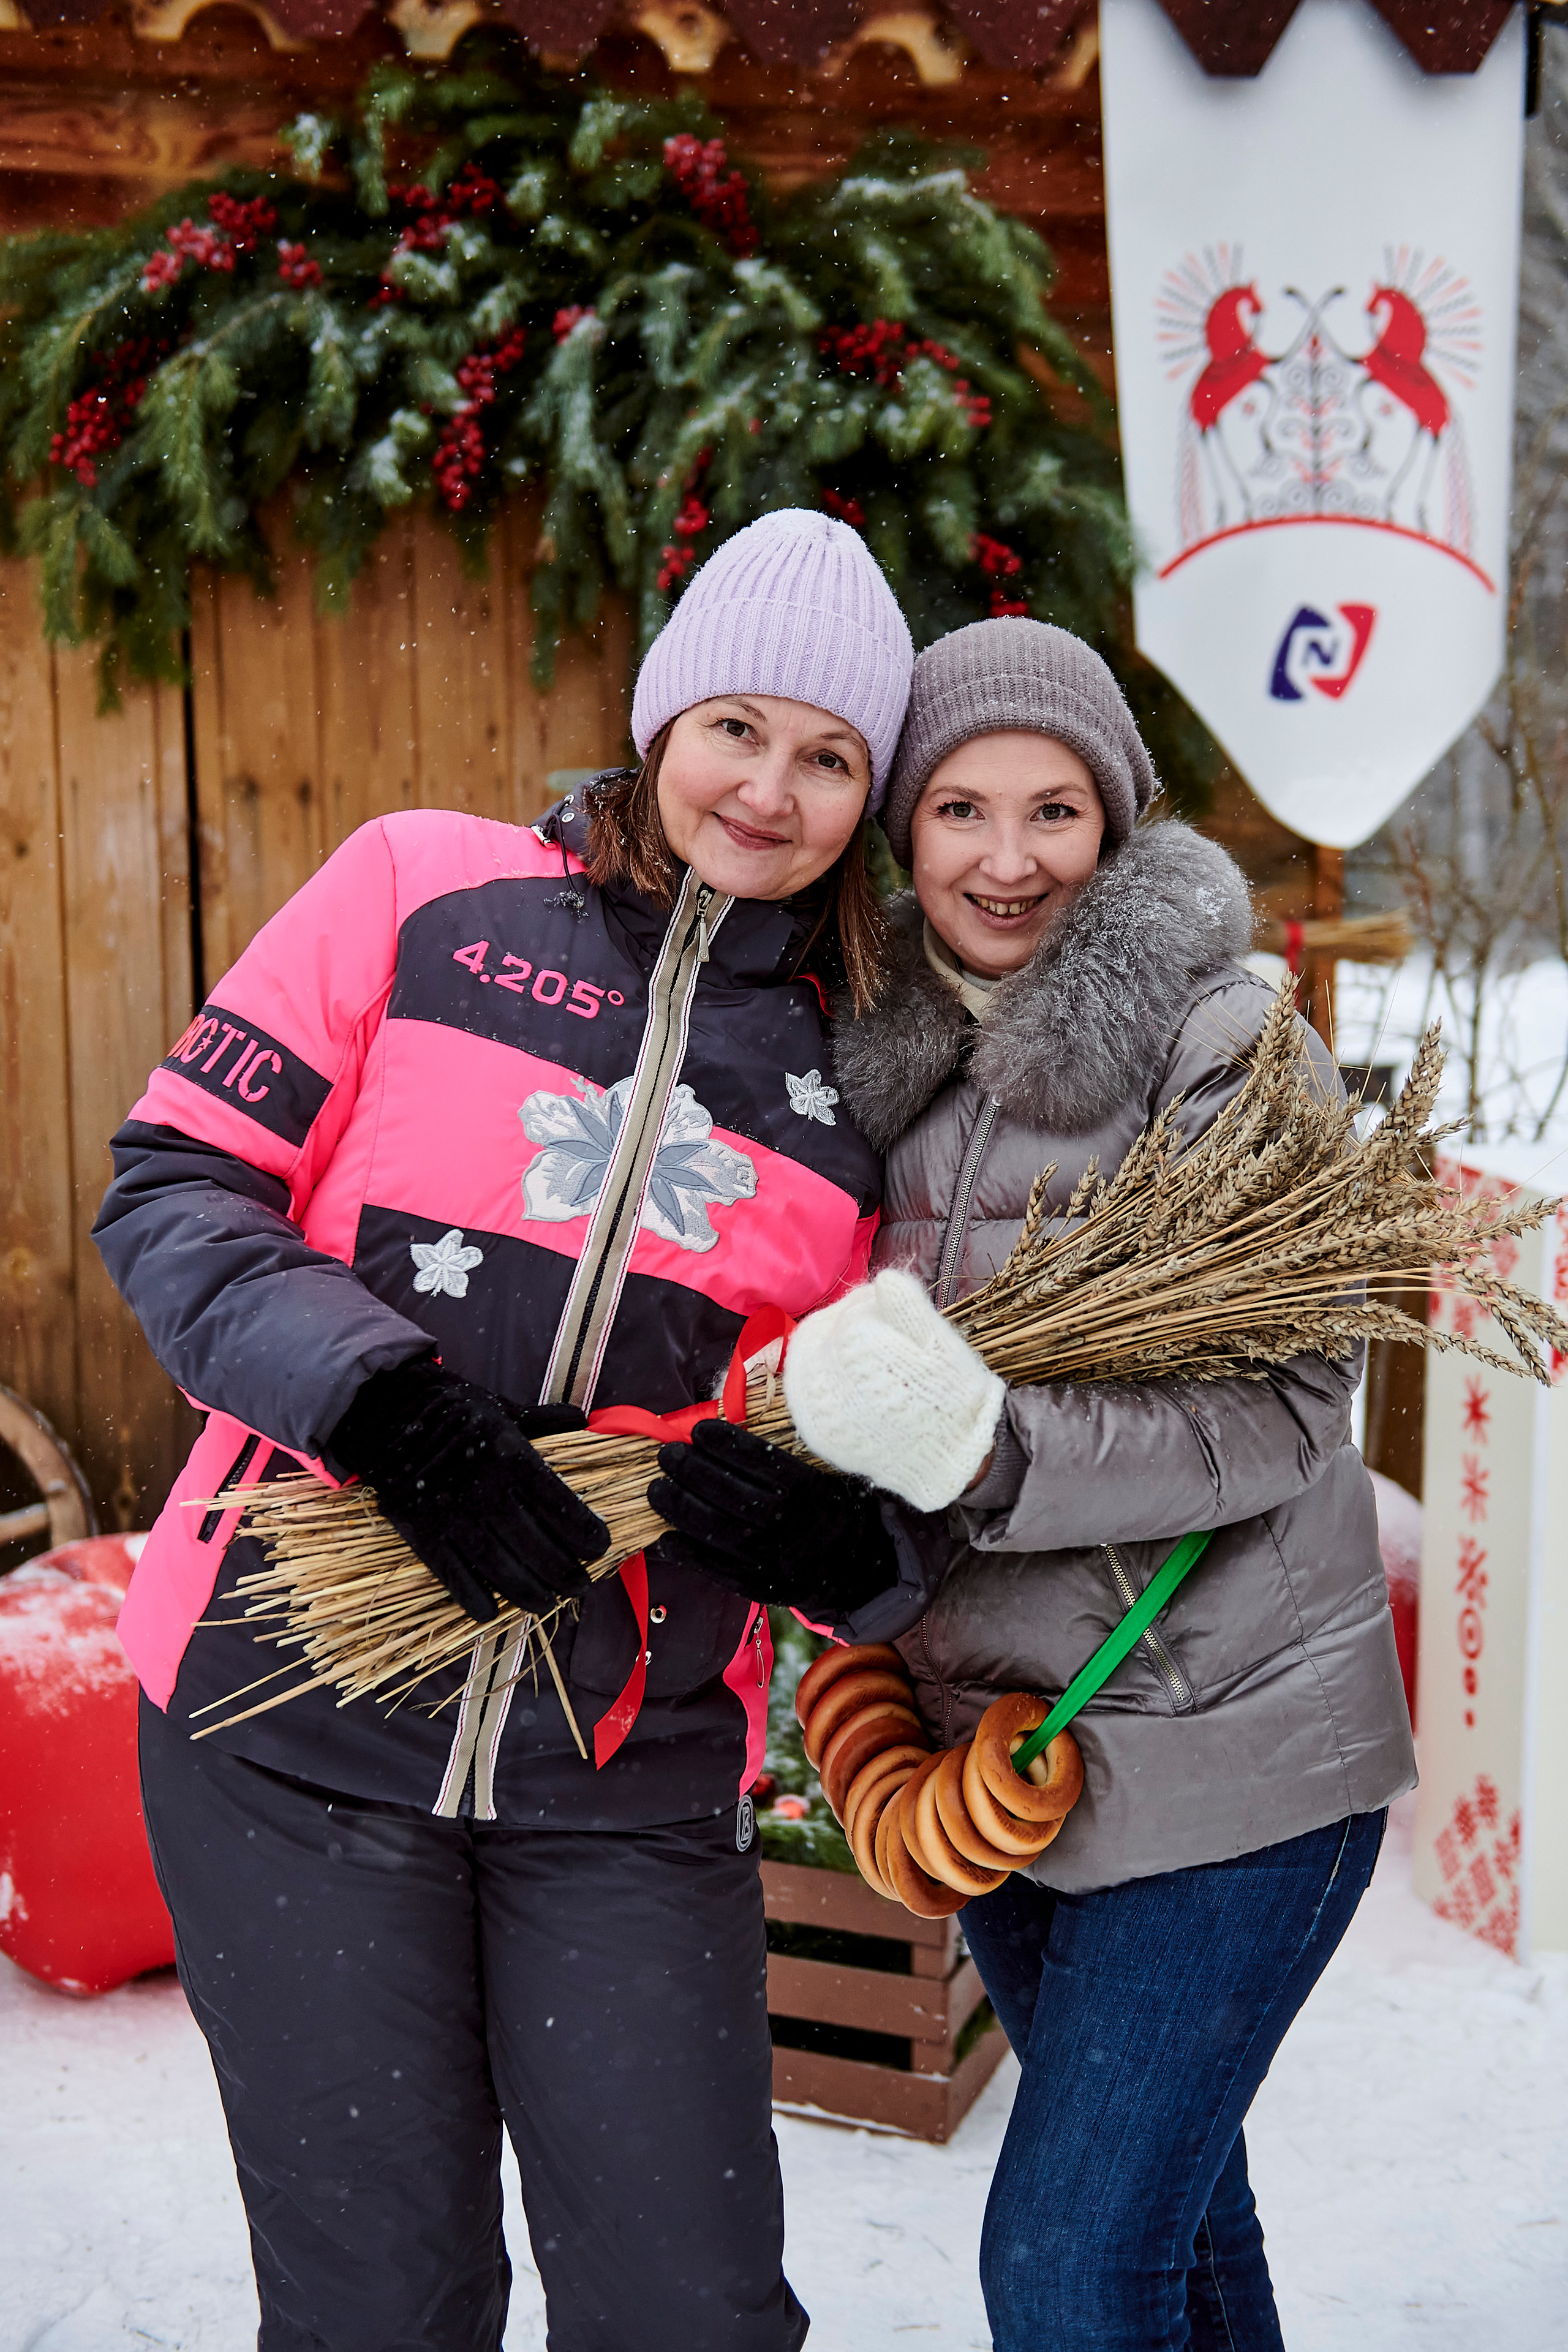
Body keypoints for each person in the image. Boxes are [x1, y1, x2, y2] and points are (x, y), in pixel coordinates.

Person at [93, 511, 931, 2352]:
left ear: (872, 795)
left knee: (688, 2309)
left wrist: (830, 1534)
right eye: (737, 726)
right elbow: (175, 1186)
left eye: (830, 756)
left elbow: (907, 1446)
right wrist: (396, 1415)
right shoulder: (422, 890)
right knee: (381, 2306)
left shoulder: (866, 1077)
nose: (769, 790)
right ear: (660, 720)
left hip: (622, 1783)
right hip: (282, 1726)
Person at [734, 617, 1417, 2350]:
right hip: (1015, 1754)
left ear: (1114, 824)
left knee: (1063, 2265)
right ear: (904, 831)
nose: (1009, 859)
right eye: (962, 810)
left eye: (1055, 810)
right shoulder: (874, 1068)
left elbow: (1283, 1410)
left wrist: (987, 1449)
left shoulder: (1229, 1042)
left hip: (1235, 1748)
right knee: (1175, 2244)